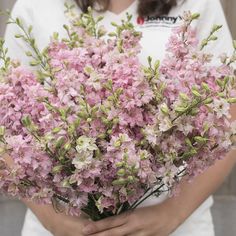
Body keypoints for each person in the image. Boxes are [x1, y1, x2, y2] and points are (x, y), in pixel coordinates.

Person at [3, 0, 236, 235]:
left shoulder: (198, 3)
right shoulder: (35, 5)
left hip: (174, 227)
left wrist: (173, 212)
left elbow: (228, 121)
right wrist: (52, 219)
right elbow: (6, 122)